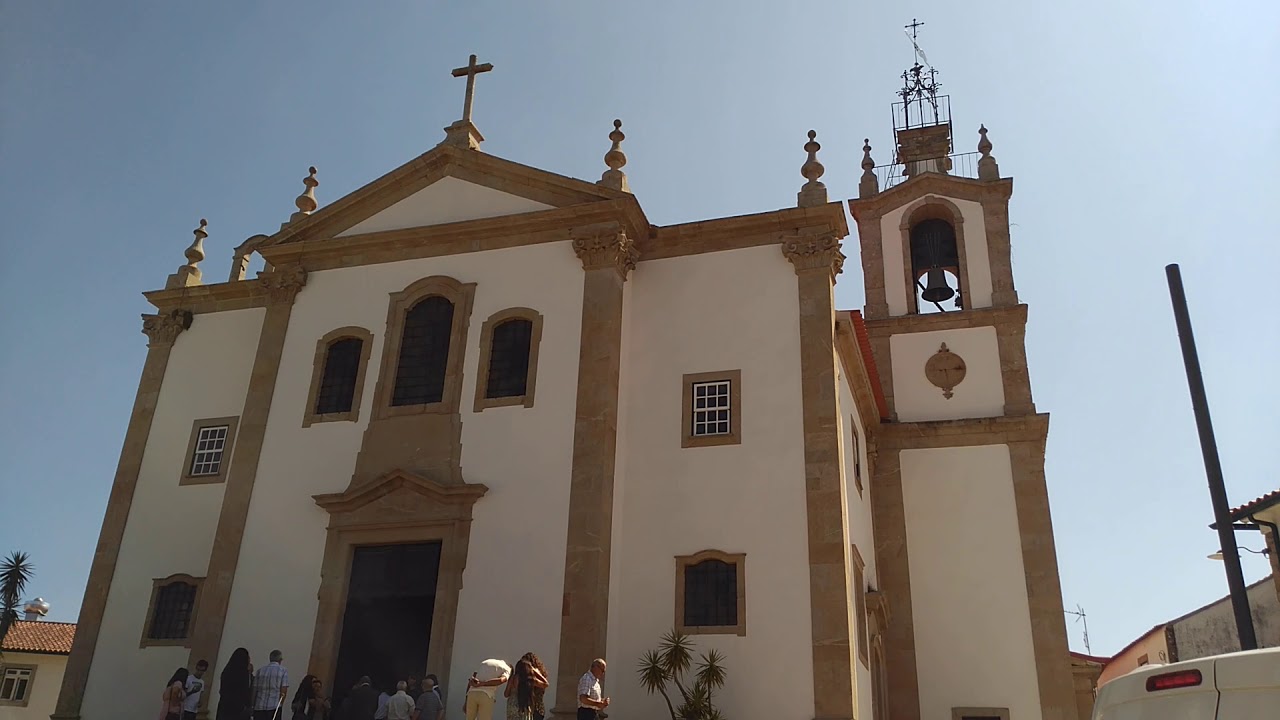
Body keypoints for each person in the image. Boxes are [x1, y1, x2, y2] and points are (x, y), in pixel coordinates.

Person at [251, 650, 291, 720]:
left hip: (259, 707)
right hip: (274, 707)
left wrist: (252, 705)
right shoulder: (283, 671)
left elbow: (254, 690)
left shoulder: (260, 670)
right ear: (280, 660)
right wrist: (280, 705)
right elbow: (283, 691)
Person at [217, 648, 253, 720]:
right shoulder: (243, 673)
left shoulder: (226, 671)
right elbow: (245, 691)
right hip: (238, 708)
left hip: (224, 706)